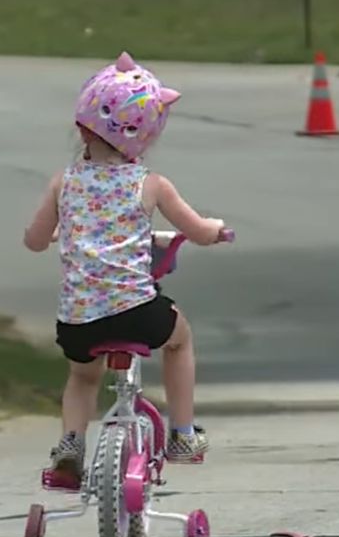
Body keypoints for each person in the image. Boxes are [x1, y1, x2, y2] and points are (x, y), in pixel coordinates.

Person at [22, 51, 228, 482]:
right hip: (137, 312)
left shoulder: (64, 182)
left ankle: (71, 446)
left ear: (82, 124)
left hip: (77, 321)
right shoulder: (151, 185)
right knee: (180, 339)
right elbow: (200, 231)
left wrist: (60, 233)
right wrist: (214, 229)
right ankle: (183, 434)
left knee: (82, 377)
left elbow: (35, 241)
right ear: (147, 133)